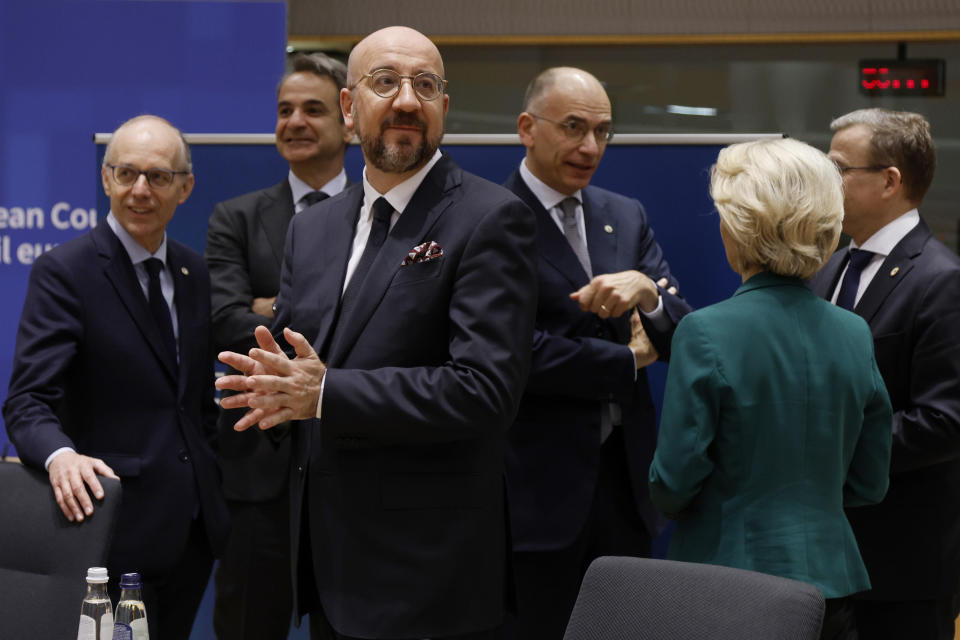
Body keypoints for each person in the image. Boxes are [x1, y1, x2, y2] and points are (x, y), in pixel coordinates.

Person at [215, 26, 538, 640]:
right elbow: (294, 364)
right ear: (349, 106)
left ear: (445, 105)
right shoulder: (311, 230)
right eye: (385, 82)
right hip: (323, 565)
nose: (407, 101)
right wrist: (265, 389)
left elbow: (485, 391)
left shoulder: (491, 218)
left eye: (426, 85)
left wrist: (326, 394)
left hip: (428, 575)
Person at [648, 137, 893, 639]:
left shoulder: (705, 331)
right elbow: (870, 481)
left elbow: (672, 485)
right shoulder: (854, 332)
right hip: (832, 584)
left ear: (739, 227)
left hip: (729, 583)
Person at [3, 115, 230, 639]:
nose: (140, 190)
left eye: (157, 176)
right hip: (111, 533)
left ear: (185, 188)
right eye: (126, 173)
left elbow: (192, 403)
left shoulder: (195, 275)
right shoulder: (67, 271)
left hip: (193, 535)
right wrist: (59, 457)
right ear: (105, 179)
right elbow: (28, 401)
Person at [502, 66, 692, 640]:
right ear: (527, 129)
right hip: (534, 489)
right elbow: (514, 356)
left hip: (627, 485)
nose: (590, 147)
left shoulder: (624, 213)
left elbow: (680, 332)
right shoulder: (492, 220)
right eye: (574, 127)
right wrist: (628, 361)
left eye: (603, 132)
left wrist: (650, 293)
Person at [205, 52, 353, 640]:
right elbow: (225, 322)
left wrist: (272, 304)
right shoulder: (236, 218)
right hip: (258, 470)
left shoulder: (382, 216)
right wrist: (331, 312)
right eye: (284, 110)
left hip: (353, 458)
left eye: (312, 109)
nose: (294, 121)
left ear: (348, 119)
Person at [809, 108, 960, 640]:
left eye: (837, 169)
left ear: (890, 181)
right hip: (824, 552)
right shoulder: (827, 266)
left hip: (903, 559)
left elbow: (945, 420)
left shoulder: (941, 280)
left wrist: (829, 449)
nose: (824, 182)